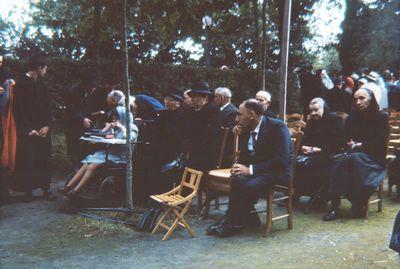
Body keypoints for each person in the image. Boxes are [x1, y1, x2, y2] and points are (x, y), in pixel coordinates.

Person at [207, 99, 293, 237]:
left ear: (251, 115)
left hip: (277, 172)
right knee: (238, 179)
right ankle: (236, 219)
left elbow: (280, 161)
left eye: (240, 114)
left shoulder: (277, 127)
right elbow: (246, 156)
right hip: (261, 171)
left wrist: (250, 170)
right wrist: (238, 138)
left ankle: (236, 224)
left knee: (249, 185)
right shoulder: (247, 129)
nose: (236, 118)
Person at [323, 88, 388, 221]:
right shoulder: (353, 116)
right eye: (356, 99)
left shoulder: (381, 117)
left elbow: (380, 143)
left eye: (362, 98)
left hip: (374, 158)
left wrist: (361, 145)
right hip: (354, 155)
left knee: (352, 160)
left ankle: (357, 202)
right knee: (337, 161)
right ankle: (336, 207)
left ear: (370, 99)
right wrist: (349, 142)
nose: (358, 102)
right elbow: (345, 136)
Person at [60, 104, 138, 198]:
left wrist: (121, 127)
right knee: (86, 163)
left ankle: (76, 191)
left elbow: (129, 138)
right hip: (110, 152)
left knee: (92, 166)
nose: (114, 121)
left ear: (123, 117)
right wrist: (108, 128)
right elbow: (106, 135)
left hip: (121, 156)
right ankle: (68, 187)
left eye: (116, 119)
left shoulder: (132, 128)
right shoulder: (117, 128)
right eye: (113, 119)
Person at [12, 54, 53, 201]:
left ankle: (45, 189)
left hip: (43, 130)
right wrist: (28, 128)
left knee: (44, 158)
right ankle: (27, 191)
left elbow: (49, 108)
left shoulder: (43, 85)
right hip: (27, 130)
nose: (46, 71)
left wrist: (47, 125)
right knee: (28, 159)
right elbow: (17, 109)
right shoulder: (20, 85)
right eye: (45, 68)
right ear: (39, 68)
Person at [294, 98, 345, 201]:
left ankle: (320, 196)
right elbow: (305, 139)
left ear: (324, 108)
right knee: (293, 162)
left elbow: (339, 142)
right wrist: (303, 147)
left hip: (330, 153)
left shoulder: (335, 120)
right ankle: (297, 193)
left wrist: (319, 150)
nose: (313, 113)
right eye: (311, 111)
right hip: (312, 153)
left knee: (315, 164)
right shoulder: (311, 122)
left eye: (316, 110)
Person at [64, 72, 104, 166]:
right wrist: (82, 118)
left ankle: (83, 165)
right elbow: (70, 108)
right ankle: (75, 167)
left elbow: (88, 108)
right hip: (73, 124)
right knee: (74, 147)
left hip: (85, 124)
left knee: (85, 146)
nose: (94, 89)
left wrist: (95, 114)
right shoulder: (73, 92)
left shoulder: (89, 93)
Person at [185, 81, 220, 172]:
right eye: (191, 96)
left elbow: (209, 133)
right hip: (194, 151)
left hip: (206, 155)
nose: (192, 99)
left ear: (205, 97)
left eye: (195, 96)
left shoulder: (212, 110)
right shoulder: (194, 110)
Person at [214, 87, 238, 167]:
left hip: (224, 152)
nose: (214, 99)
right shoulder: (218, 109)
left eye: (216, 96)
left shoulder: (232, 111)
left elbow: (228, 134)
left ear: (222, 98)